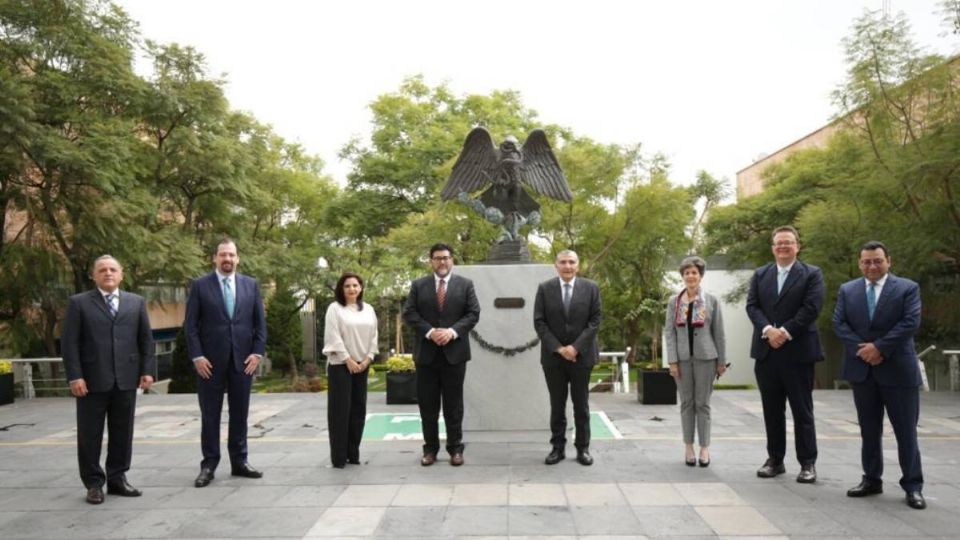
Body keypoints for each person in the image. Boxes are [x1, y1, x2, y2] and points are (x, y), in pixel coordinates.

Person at [833, 241, 926, 509]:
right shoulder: (847, 290)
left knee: (906, 431)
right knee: (869, 430)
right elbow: (839, 323)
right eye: (866, 261)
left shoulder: (907, 288)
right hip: (863, 370)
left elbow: (910, 322)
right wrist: (864, 351)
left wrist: (879, 347)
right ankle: (871, 479)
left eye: (877, 261)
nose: (872, 266)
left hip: (898, 370)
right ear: (860, 263)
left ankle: (913, 485)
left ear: (888, 261)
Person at [61, 255, 156, 504]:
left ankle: (117, 478)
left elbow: (145, 339)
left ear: (121, 274)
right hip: (91, 381)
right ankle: (94, 484)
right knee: (89, 434)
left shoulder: (135, 303)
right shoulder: (78, 303)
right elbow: (70, 344)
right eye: (102, 270)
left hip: (126, 379)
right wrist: (75, 376)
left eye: (113, 269)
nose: (108, 273)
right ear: (94, 275)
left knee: (122, 433)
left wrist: (147, 370)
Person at [184, 238, 266, 487]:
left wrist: (257, 353)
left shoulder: (250, 285)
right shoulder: (199, 286)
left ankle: (240, 462)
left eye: (231, 255)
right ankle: (209, 464)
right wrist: (197, 356)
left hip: (243, 361)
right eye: (223, 255)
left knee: (240, 414)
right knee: (210, 415)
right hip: (209, 363)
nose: (227, 259)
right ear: (215, 258)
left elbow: (259, 323)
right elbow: (190, 326)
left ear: (238, 258)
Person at [746, 225, 824, 483]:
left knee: (802, 411)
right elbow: (752, 306)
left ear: (797, 246)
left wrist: (785, 332)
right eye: (778, 243)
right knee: (772, 410)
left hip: (798, 352)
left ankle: (807, 463)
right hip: (767, 353)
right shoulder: (760, 274)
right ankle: (775, 460)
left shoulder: (812, 274)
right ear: (773, 247)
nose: (783, 247)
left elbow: (811, 308)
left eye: (788, 242)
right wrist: (769, 330)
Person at [402, 243, 480, 467]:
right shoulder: (419, 286)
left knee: (454, 406)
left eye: (446, 258)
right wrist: (429, 332)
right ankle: (430, 449)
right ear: (431, 261)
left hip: (455, 355)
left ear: (452, 260)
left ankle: (456, 448)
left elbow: (473, 313)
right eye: (437, 258)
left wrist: (452, 332)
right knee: (428, 405)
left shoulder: (465, 285)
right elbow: (409, 313)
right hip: (426, 355)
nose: (442, 262)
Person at [534, 250, 602, 466]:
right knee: (557, 405)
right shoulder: (545, 289)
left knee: (581, 405)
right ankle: (557, 448)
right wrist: (559, 348)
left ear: (578, 265)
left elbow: (595, 320)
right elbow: (539, 322)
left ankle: (583, 449)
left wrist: (575, 348)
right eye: (563, 262)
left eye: (571, 262)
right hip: (554, 358)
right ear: (556, 266)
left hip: (582, 357)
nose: (567, 266)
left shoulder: (591, 288)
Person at [664, 256, 727, 467]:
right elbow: (669, 333)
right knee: (686, 403)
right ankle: (688, 446)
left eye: (694, 273)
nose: (691, 276)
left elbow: (719, 333)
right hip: (682, 360)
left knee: (703, 404)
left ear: (700, 276)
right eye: (687, 273)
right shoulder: (674, 301)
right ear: (682, 276)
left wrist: (721, 361)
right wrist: (672, 361)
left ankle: (705, 448)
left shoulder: (711, 300)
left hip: (706, 359)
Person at [322, 272, 378, 468]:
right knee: (340, 412)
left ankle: (353, 454)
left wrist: (368, 358)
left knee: (358, 411)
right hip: (341, 366)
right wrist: (348, 359)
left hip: (362, 366)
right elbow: (333, 336)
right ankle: (338, 458)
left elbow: (374, 336)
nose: (352, 289)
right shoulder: (335, 309)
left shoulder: (369, 309)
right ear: (341, 289)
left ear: (361, 288)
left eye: (355, 285)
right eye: (347, 286)